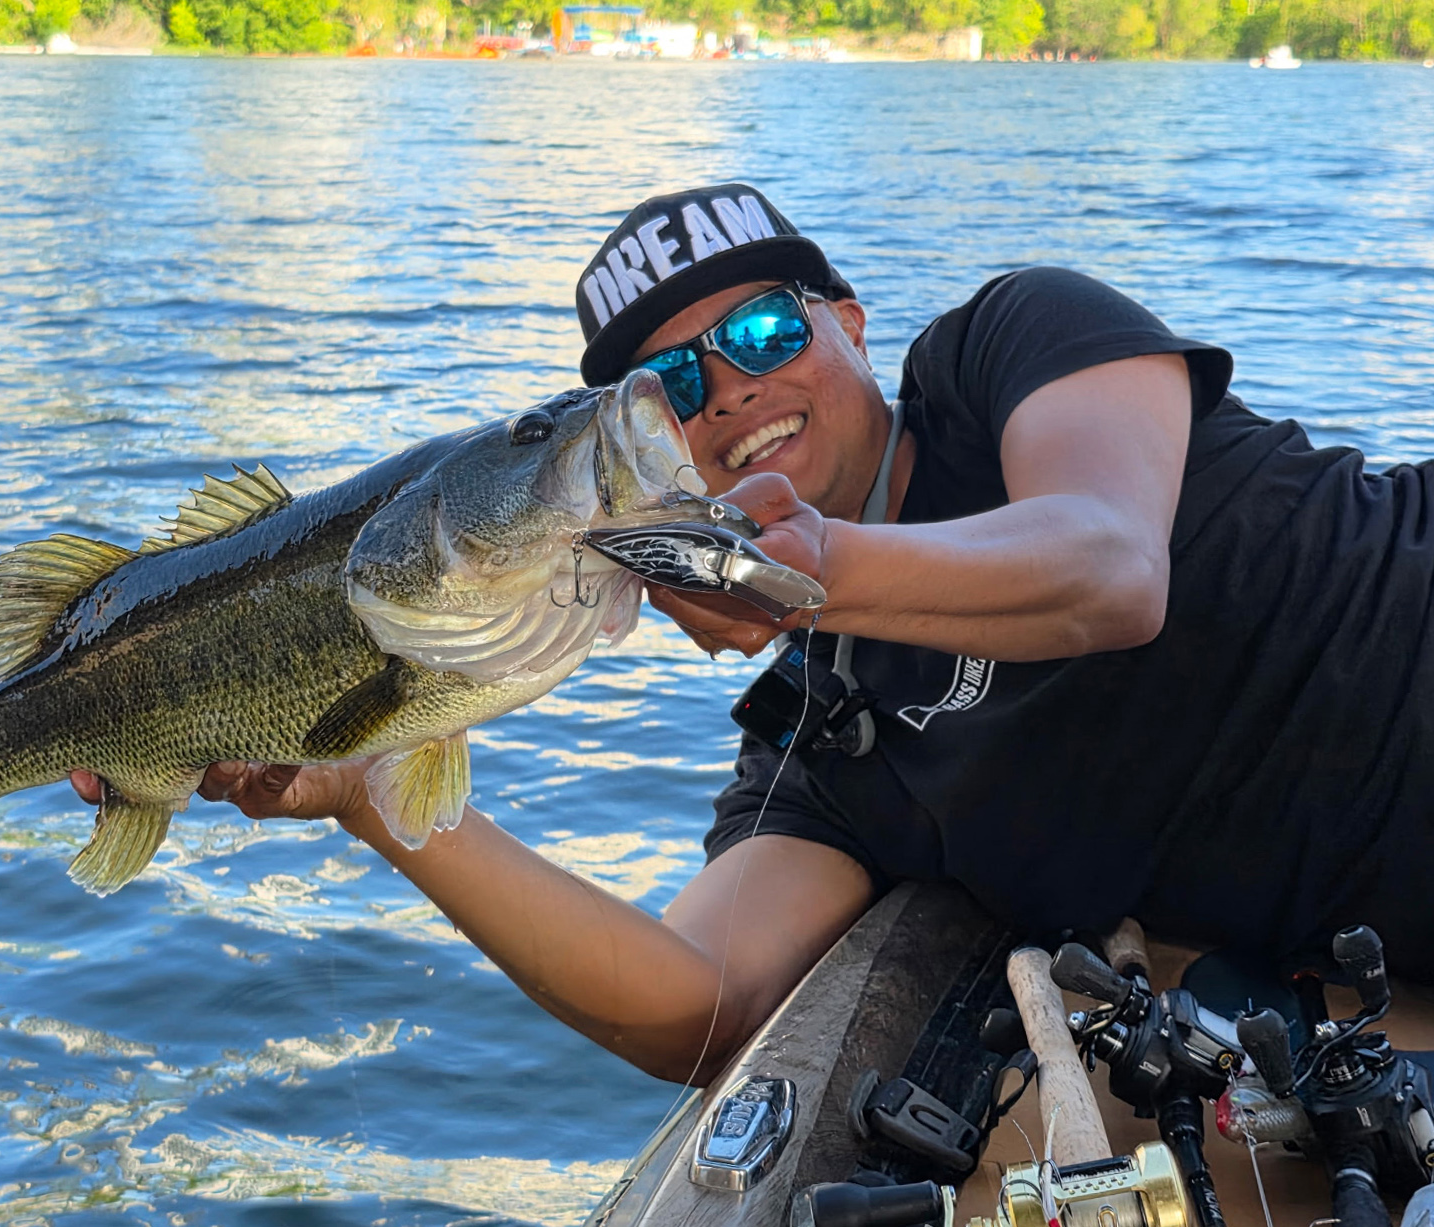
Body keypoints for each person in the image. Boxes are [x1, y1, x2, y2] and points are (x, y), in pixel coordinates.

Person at [74, 183, 1434, 1085]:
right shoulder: (822, 737)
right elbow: (698, 1004)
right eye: (669, 385)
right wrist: (374, 796)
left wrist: (817, 576)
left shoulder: (1008, 346)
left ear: (850, 324)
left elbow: (1110, 568)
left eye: (768, 329)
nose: (728, 390)